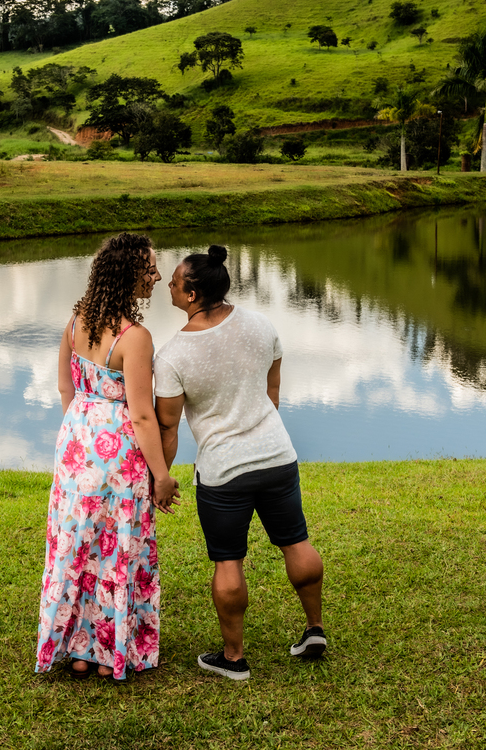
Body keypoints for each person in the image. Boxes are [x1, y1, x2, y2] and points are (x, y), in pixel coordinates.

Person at [154, 244, 325, 681]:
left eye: (174, 282)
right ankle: (315, 629)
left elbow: (168, 428)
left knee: (228, 561)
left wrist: (161, 475)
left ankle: (234, 659)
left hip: (223, 472)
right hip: (277, 456)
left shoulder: (171, 356)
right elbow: (272, 391)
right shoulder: (261, 324)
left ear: (192, 294)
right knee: (296, 542)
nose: (168, 285)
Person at [35, 232, 180, 682]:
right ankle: (107, 651)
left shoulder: (75, 323)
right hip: (119, 455)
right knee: (115, 546)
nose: (157, 277)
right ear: (129, 275)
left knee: (78, 545)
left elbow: (66, 388)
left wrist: (81, 433)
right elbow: (141, 414)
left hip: (76, 444)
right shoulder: (135, 338)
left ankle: (78, 648)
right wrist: (161, 475)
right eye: (150, 269)